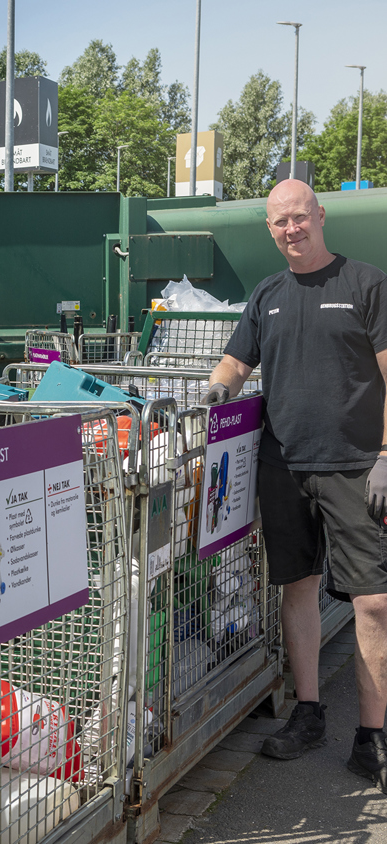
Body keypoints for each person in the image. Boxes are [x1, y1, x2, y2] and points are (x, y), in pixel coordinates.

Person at [202, 179, 387, 793]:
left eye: (300, 217)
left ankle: (372, 738)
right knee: (297, 589)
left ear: (320, 216)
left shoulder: (365, 284)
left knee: (375, 602)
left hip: (356, 466)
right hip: (283, 466)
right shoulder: (268, 294)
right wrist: (217, 389)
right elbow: (236, 361)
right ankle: (308, 712)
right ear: (270, 229)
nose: (292, 229)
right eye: (280, 221)